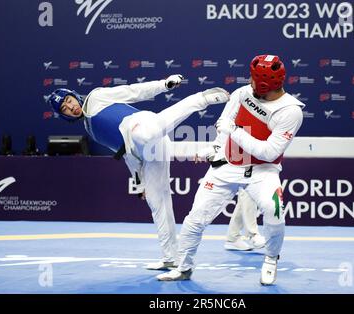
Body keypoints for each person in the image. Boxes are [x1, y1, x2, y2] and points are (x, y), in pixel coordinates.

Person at [47, 75, 230, 270]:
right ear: (65, 116)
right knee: (156, 200)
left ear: (74, 95)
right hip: (145, 151)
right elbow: (127, 154)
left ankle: (202, 99)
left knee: (144, 133)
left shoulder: (95, 97)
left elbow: (134, 91)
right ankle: (171, 257)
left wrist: (163, 84)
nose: (70, 107)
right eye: (65, 109)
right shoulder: (90, 130)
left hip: (142, 124)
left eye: (69, 100)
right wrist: (141, 183)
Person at [157, 55, 305, 285]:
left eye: (254, 79)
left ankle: (271, 258)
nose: (250, 81)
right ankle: (183, 267)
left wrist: (234, 131)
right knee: (195, 219)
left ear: (265, 84)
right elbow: (223, 125)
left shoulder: (291, 111)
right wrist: (215, 147)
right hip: (226, 164)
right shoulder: (242, 94)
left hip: (262, 170)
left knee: (274, 210)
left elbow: (268, 152)